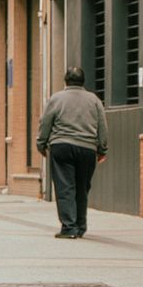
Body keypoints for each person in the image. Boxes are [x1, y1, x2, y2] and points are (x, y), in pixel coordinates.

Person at [35, 66, 109, 239]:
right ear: (83, 81)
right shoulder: (94, 100)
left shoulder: (56, 99)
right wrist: (102, 149)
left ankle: (69, 228)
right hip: (87, 148)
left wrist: (41, 144)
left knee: (65, 187)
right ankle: (80, 226)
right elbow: (102, 126)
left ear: (65, 81)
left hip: (61, 146)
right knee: (82, 187)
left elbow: (45, 123)